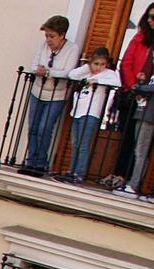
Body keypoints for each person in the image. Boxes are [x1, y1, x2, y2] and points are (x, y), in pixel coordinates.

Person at [16, 16, 79, 176]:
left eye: (52, 36)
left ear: (62, 35)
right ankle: (31, 161)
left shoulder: (72, 49)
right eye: (46, 36)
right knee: (34, 127)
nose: (48, 40)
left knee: (45, 127)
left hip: (57, 95)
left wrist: (49, 72)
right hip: (37, 91)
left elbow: (68, 72)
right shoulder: (43, 46)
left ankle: (41, 163)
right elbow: (33, 65)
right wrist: (40, 71)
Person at [53, 49, 121, 185]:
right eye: (96, 64)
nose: (99, 67)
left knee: (83, 145)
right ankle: (71, 171)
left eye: (102, 64)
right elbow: (72, 75)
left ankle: (79, 173)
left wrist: (96, 80)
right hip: (78, 111)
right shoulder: (86, 71)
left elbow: (117, 83)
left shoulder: (109, 74)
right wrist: (87, 68)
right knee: (76, 143)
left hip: (91, 113)